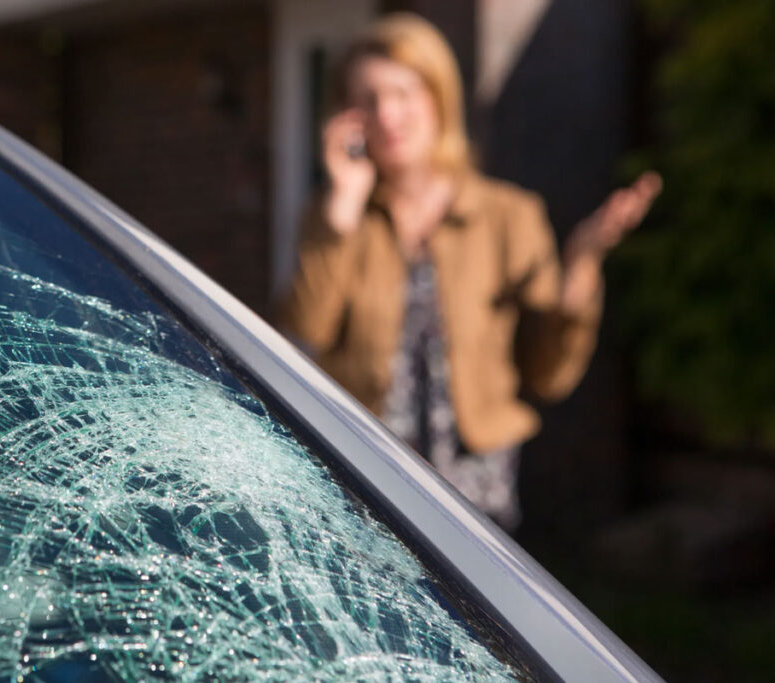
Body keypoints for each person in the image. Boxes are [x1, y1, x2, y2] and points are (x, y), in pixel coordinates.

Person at [276, 13, 661, 530]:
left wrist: (583, 264)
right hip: (363, 486)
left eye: (403, 92)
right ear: (347, 116)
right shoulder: (334, 218)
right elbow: (301, 338)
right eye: (367, 98)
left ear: (438, 98)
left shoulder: (510, 216)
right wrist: (340, 215)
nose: (387, 113)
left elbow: (549, 372)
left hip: (478, 498)